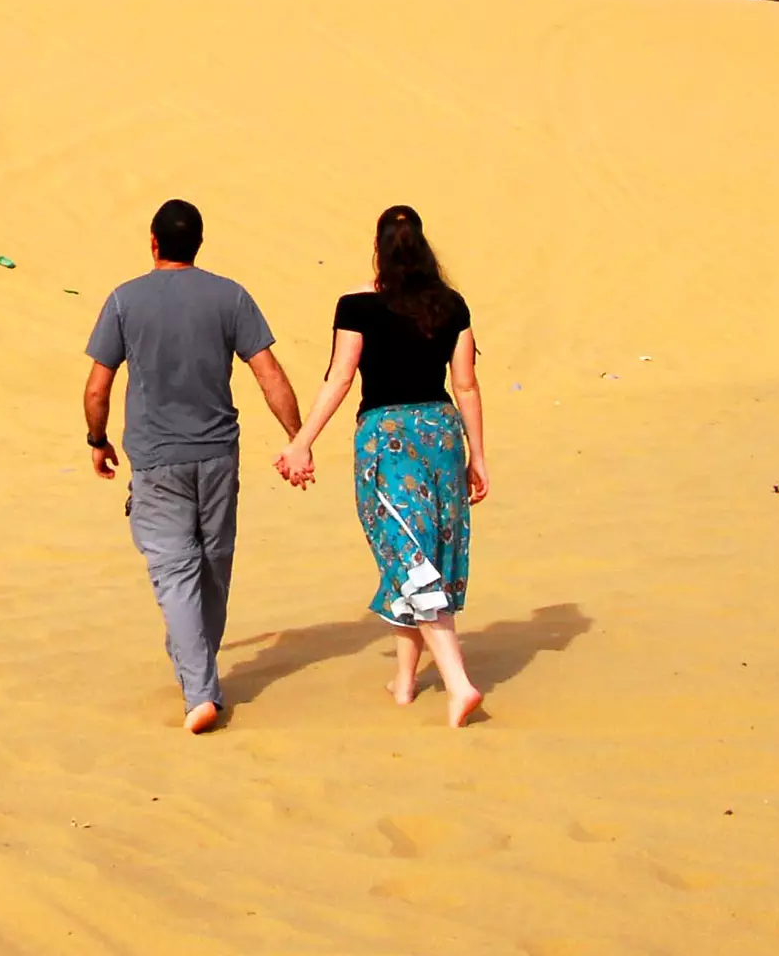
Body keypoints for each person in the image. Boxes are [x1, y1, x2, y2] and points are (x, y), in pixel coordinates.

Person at [83, 198, 304, 733]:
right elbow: (268, 372)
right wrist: (298, 436)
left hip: (159, 462)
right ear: (198, 243)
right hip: (217, 457)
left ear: (154, 243)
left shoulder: (123, 300)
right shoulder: (230, 296)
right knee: (213, 565)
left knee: (177, 570)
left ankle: (200, 692)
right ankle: (197, 669)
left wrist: (97, 438)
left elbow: (97, 386)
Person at [275, 204, 491, 726]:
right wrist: (478, 455)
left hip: (387, 440)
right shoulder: (450, 305)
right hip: (441, 435)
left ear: (379, 249)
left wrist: (302, 441)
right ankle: (404, 682)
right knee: (415, 551)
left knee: (408, 554)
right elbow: (465, 384)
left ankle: (459, 683)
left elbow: (340, 378)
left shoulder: (356, 307)